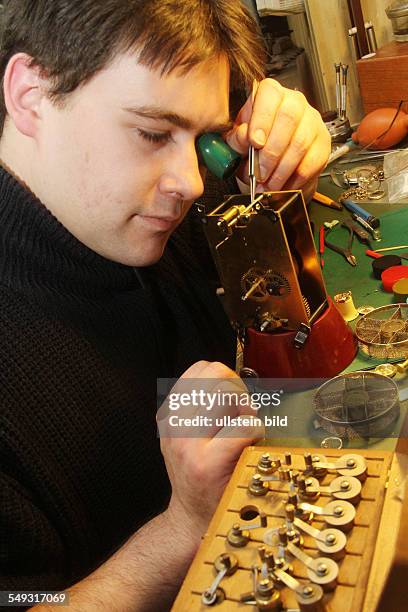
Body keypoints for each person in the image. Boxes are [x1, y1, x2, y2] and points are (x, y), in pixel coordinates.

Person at [0, 1, 330, 610]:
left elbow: (282, 354)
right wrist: (185, 529)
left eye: (200, 137)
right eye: (153, 132)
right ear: (30, 95)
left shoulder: (152, 212)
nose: (192, 181)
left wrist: (283, 170)